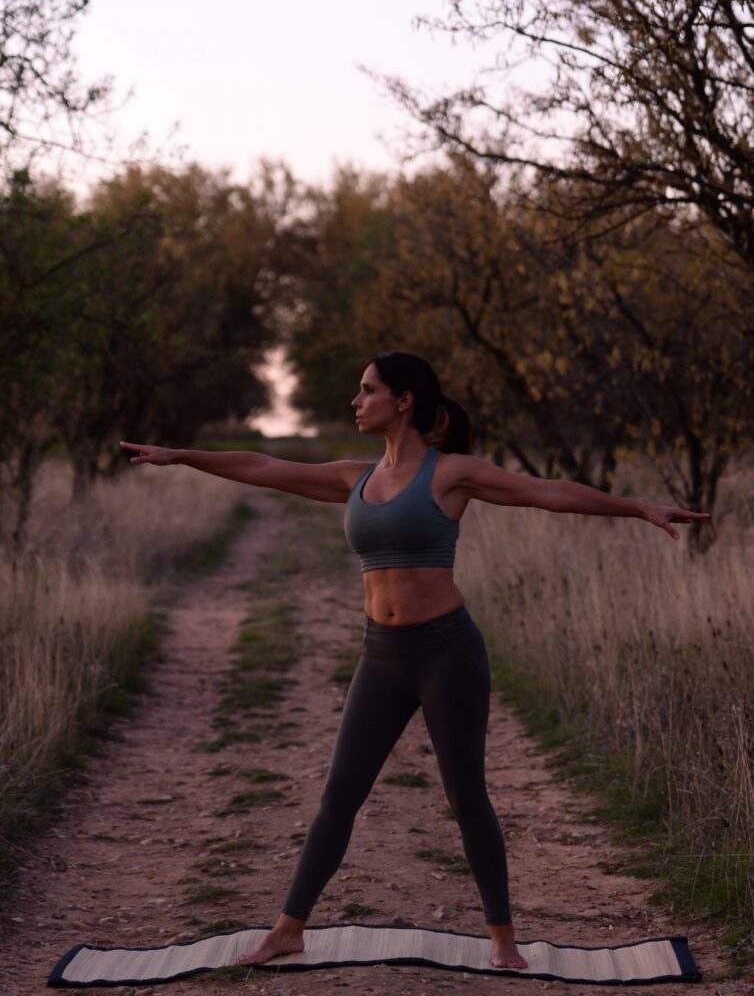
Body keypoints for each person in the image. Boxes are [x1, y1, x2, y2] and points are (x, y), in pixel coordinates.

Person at [119, 350, 708, 971]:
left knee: (467, 797)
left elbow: (545, 492)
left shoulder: (451, 474)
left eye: (367, 390)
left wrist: (639, 508)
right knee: (339, 795)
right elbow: (264, 466)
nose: (356, 401)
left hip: (446, 654)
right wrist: (183, 456)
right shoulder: (357, 477)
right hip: (381, 656)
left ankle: (503, 940)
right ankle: (288, 928)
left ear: (404, 401)